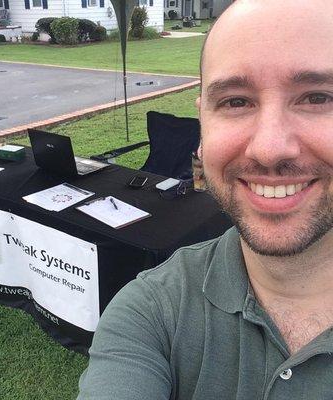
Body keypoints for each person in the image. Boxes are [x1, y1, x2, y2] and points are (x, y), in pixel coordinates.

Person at [77, 0, 333, 398]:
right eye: (235, 101)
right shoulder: (153, 310)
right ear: (203, 123)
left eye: (318, 97)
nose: (269, 149)